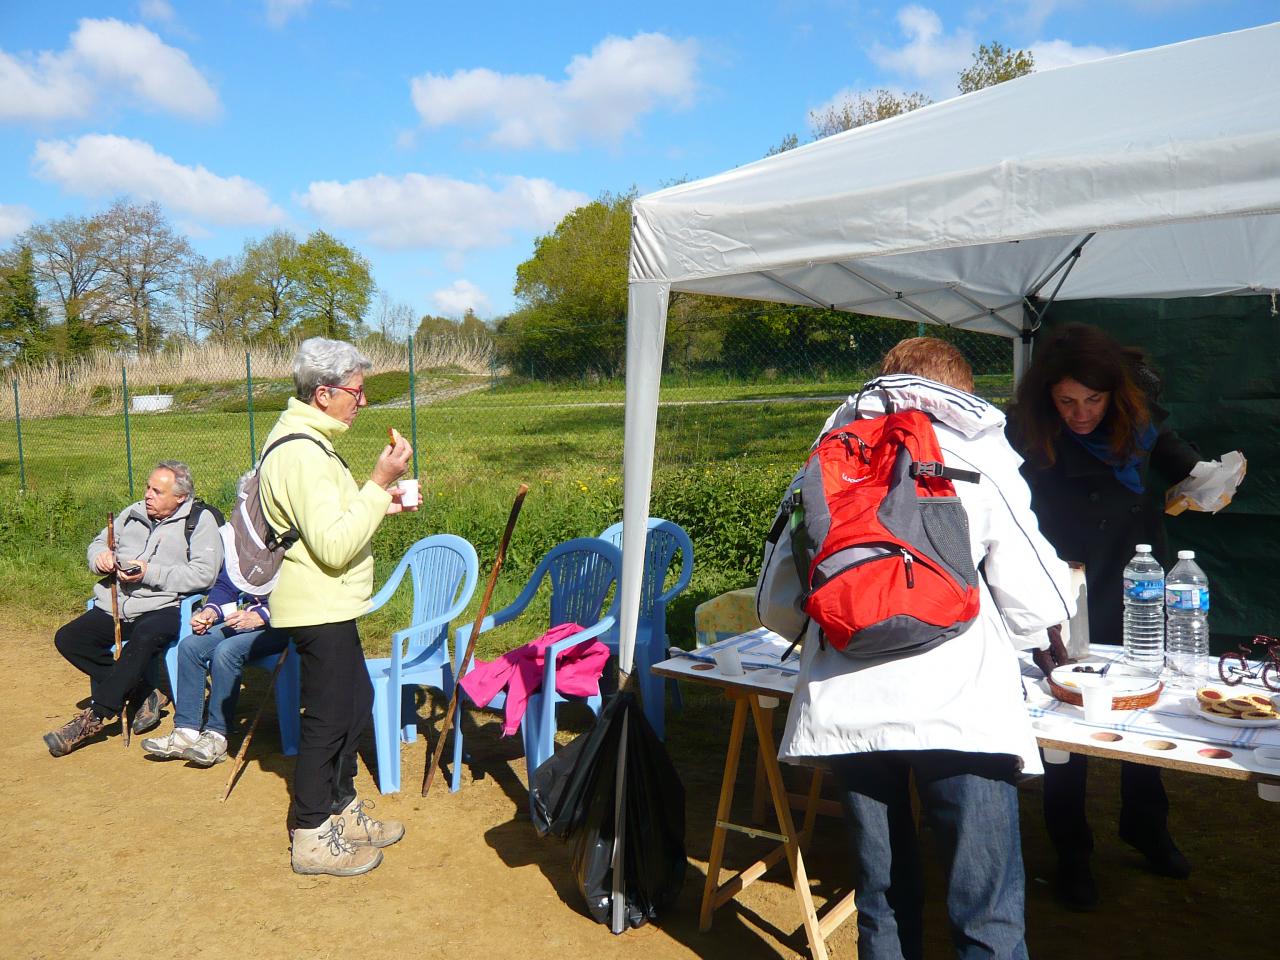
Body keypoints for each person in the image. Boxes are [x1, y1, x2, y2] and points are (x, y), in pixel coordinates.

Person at [758, 338, 1074, 960]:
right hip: (960, 708)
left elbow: (774, 599)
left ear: (882, 382)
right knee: (985, 912)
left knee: (883, 901)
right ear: (964, 390)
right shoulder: (977, 452)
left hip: (847, 706)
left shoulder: (829, 457)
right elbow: (1038, 598)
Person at [1007, 322, 1201, 909]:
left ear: (1113, 395)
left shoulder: (1136, 418)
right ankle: (1072, 851)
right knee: (1064, 719)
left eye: (1092, 400)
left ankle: (1145, 824)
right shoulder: (1028, 430)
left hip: (1136, 580)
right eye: (1067, 401)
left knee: (1145, 705)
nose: (1080, 413)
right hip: (1064, 589)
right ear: (1048, 396)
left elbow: (1176, 455)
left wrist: (1207, 479)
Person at [258, 337, 415, 877]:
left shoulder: (314, 442)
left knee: (355, 702)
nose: (363, 401)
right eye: (356, 391)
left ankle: (341, 810)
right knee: (327, 719)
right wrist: (379, 483)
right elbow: (331, 546)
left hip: (332, 602)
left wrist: (379, 502)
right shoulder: (301, 451)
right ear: (323, 393)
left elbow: (332, 521)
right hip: (315, 603)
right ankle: (310, 834)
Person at [44, 461, 223, 756]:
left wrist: (149, 572)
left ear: (180, 497)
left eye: (157, 491)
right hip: (115, 604)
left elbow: (204, 575)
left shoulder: (200, 521)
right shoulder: (133, 512)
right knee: (68, 638)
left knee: (142, 641)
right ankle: (141, 689)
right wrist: (100, 557)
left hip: (163, 606)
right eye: (147, 487)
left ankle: (93, 718)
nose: (148, 495)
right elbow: (99, 542)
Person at [141, 504, 289, 767]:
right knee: (191, 646)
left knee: (227, 651)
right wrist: (210, 611)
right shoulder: (246, 541)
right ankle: (186, 732)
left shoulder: (293, 541)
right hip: (247, 620)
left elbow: (299, 595)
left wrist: (262, 615)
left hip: (285, 625)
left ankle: (217, 737)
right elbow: (227, 584)